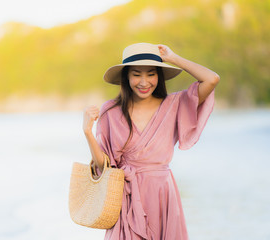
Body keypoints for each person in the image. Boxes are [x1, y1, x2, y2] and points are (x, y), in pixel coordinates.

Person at [82, 43, 220, 240]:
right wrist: (87, 132)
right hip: (125, 198)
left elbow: (212, 79)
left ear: (159, 76)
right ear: (126, 76)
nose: (144, 82)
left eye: (151, 74)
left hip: (162, 196)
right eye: (136, 74)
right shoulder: (110, 111)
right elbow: (102, 167)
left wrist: (173, 58)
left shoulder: (173, 105)